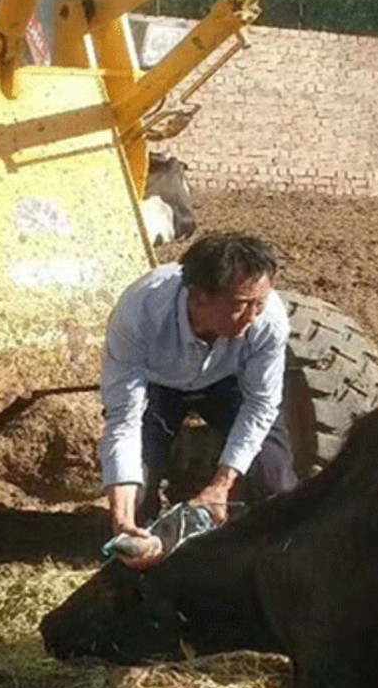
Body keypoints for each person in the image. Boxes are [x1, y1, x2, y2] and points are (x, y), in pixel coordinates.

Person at [99, 231, 298, 548]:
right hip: (158, 384)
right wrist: (122, 519)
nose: (252, 316)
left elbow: (260, 404)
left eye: (259, 303)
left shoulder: (268, 320)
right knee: (135, 500)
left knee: (274, 483)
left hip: (229, 380)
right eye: (240, 305)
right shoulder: (139, 313)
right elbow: (124, 419)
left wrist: (222, 484)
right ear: (198, 297)